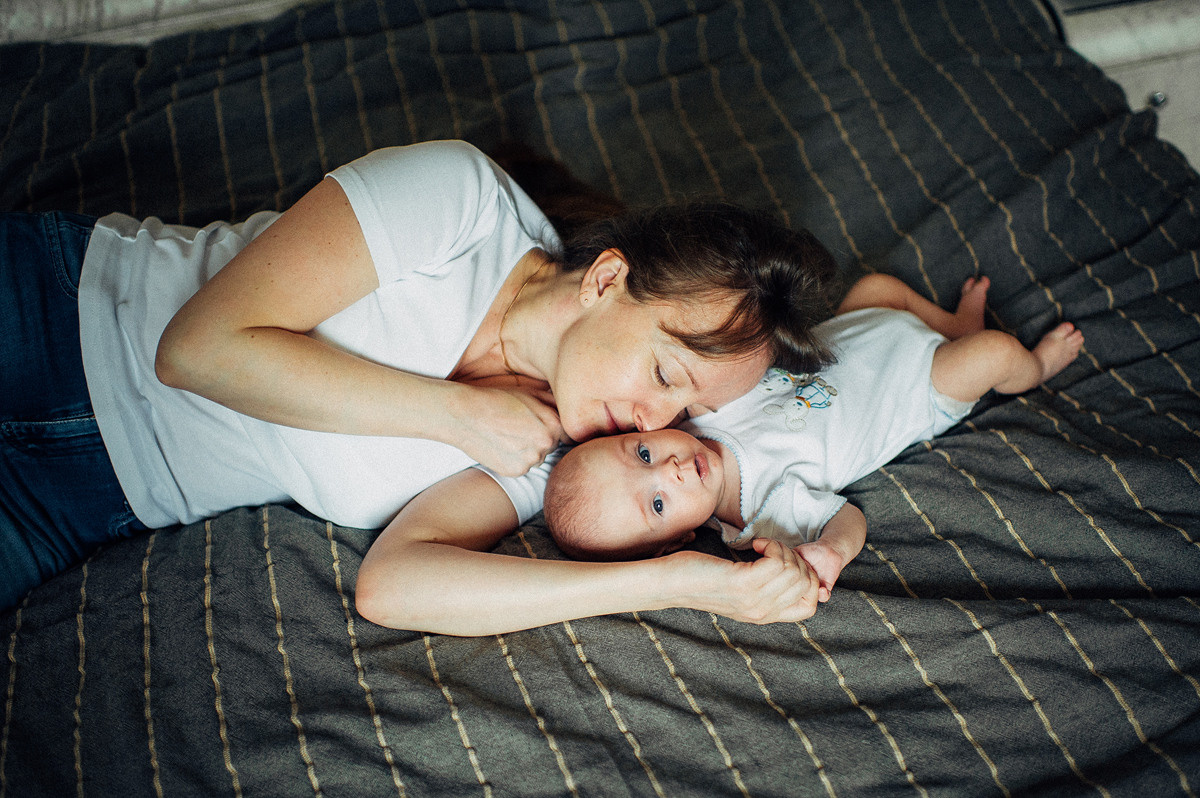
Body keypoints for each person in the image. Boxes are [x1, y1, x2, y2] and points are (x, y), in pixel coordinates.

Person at [2, 139, 837, 630]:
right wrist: (458, 414)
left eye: (686, 409)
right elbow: (196, 350)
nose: (658, 417)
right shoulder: (463, 203)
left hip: (82, 500)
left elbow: (394, 585)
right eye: (665, 371)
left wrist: (679, 582)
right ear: (607, 279)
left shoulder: (578, 460)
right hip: (57, 313)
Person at [542, 273, 1085, 605]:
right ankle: (1034, 365)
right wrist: (833, 551)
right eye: (658, 502)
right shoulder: (761, 514)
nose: (671, 469)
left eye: (642, 454)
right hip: (922, 382)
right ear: (675, 543)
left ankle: (948, 320)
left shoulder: (688, 414)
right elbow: (847, 518)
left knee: (876, 287)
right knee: (994, 353)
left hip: (860, 330)